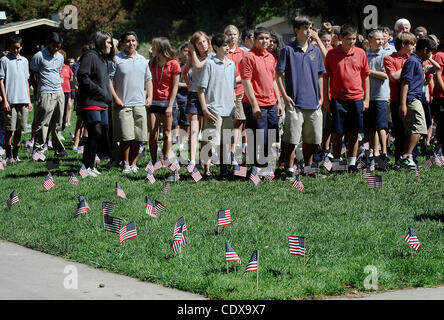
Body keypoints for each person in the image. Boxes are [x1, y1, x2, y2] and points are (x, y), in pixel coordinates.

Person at [276, 16, 325, 180]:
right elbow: (278, 76)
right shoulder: (288, 50)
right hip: (294, 103)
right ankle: (289, 170)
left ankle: (309, 169)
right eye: (305, 28)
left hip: (313, 102)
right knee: (292, 139)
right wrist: (284, 95)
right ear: (296, 30)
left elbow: (320, 75)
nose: (309, 31)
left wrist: (321, 96)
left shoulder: (315, 50)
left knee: (312, 139)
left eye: (310, 27)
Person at [323, 24, 370, 172]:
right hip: (337, 99)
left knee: (353, 132)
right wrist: (325, 99)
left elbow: (365, 76)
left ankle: (352, 163)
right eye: (349, 39)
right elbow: (325, 77)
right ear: (340, 38)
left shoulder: (361, 53)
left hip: (356, 99)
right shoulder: (331, 54)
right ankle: (337, 164)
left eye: (354, 39)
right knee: (337, 133)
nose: (352, 42)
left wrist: (366, 99)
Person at [240, 27, 283, 171]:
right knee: (256, 136)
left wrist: (278, 102)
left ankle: (263, 164)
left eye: (267, 38)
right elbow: (246, 83)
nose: (265, 41)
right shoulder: (248, 57)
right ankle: (254, 168)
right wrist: (254, 105)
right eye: (261, 38)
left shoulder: (270, 57)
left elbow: (273, 81)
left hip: (271, 103)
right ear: (255, 39)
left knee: (271, 136)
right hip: (255, 103)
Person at [110, 31, 153, 174]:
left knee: (138, 136)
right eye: (128, 41)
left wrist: (149, 97)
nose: (131, 43)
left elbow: (148, 80)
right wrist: (116, 98)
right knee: (125, 136)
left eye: (133, 40)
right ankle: (126, 164)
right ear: (122, 43)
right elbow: (109, 81)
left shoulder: (143, 60)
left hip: (140, 104)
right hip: (123, 105)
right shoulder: (116, 60)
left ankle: (134, 164)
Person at [197, 33, 236, 180]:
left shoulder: (232, 64)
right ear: (215, 47)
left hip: (228, 110)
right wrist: (205, 109)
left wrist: (233, 107)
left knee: (225, 143)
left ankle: (223, 171)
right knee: (210, 142)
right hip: (213, 110)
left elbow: (231, 87)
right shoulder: (209, 64)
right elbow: (201, 89)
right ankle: (207, 172)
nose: (227, 48)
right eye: (224, 45)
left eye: (228, 45)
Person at [76, 30, 115, 177]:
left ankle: (91, 165)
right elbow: (82, 76)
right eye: (108, 42)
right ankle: (85, 167)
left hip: (102, 103)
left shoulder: (102, 58)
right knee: (95, 132)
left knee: (100, 133)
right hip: (90, 102)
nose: (111, 45)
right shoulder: (90, 56)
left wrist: (106, 95)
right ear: (100, 42)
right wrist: (100, 91)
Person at [398, 35, 438, 169]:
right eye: (430, 52)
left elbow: (436, 68)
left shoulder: (417, 61)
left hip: (415, 99)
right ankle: (407, 156)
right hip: (411, 99)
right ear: (425, 50)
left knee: (411, 130)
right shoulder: (413, 61)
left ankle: (404, 157)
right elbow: (405, 82)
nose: (431, 55)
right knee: (420, 128)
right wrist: (403, 104)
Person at [30, 32, 67, 158]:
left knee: (57, 122)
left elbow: (58, 72)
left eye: (58, 45)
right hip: (45, 92)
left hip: (59, 92)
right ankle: (38, 149)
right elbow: (33, 76)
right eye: (54, 45)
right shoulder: (39, 56)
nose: (56, 48)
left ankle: (58, 148)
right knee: (43, 122)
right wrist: (37, 90)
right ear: (48, 44)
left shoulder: (61, 57)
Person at [383, 32, 416, 163]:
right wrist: (410, 66)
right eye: (412, 44)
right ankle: (398, 159)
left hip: (412, 97)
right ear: (403, 44)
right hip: (396, 99)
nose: (414, 46)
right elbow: (394, 77)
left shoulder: (412, 58)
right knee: (400, 131)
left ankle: (410, 157)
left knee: (412, 130)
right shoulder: (389, 59)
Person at [182, 31, 213, 171]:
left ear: (208, 42)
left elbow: (199, 66)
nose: (202, 45)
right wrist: (189, 84)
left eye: (204, 42)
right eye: (198, 43)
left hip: (207, 96)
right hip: (194, 95)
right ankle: (192, 160)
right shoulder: (192, 57)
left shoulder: (212, 57)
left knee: (205, 131)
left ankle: (203, 159)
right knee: (194, 130)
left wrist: (192, 51)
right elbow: (185, 71)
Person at [148, 37, 180, 166]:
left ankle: (166, 159)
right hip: (153, 103)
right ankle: (154, 160)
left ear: (160, 48)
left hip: (168, 103)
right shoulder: (151, 63)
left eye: (154, 46)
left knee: (167, 133)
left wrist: (170, 105)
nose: (151, 49)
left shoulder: (173, 63)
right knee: (152, 133)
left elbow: (175, 86)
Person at [0, 36, 33, 164]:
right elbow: (1, 80)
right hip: (10, 101)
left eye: (18, 48)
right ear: (9, 47)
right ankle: (8, 156)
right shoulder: (4, 60)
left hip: (23, 100)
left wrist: (29, 100)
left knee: (20, 129)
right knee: (9, 129)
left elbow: (26, 80)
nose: (16, 50)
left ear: (21, 47)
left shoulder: (25, 61)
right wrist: (5, 100)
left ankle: (15, 155)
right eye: (13, 48)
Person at [366, 29, 391, 169]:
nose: (381, 41)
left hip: (381, 95)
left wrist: (368, 71)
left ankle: (384, 152)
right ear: (370, 40)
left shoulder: (385, 54)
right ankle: (374, 152)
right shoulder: (365, 54)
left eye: (382, 39)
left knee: (381, 125)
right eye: (378, 39)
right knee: (371, 126)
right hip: (368, 95)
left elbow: (385, 74)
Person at [224, 25, 247, 162]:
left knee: (238, 121)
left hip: (240, 91)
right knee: (228, 122)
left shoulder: (243, 53)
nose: (232, 37)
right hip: (224, 93)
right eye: (229, 34)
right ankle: (226, 150)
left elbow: (245, 74)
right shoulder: (223, 52)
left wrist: (233, 81)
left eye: (234, 34)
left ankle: (233, 151)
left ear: (238, 36)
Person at [174, 43, 190, 152]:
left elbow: (192, 84)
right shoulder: (177, 66)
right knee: (176, 122)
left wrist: (179, 84)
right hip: (176, 98)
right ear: (180, 53)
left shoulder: (193, 66)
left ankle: (184, 141)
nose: (187, 53)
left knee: (186, 122)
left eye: (189, 51)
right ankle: (177, 141)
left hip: (187, 98)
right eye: (185, 51)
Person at [432, 34, 444, 151]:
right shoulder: (440, 55)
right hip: (441, 95)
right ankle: (439, 148)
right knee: (441, 122)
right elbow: (438, 76)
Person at [59, 50, 73, 131]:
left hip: (66, 91)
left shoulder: (67, 67)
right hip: (57, 91)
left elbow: (71, 78)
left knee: (64, 109)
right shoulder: (56, 67)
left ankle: (63, 126)